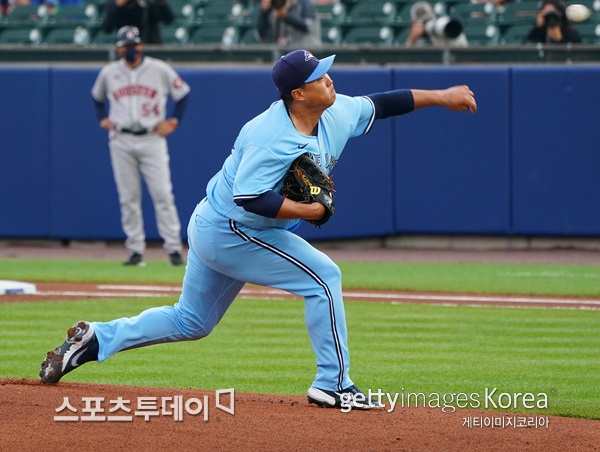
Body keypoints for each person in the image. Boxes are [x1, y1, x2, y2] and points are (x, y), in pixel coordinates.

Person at [40, 49, 476, 409]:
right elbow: (250, 197)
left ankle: (97, 339)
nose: (330, 79)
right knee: (324, 277)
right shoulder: (271, 134)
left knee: (191, 321)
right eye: (319, 76)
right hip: (234, 228)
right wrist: (310, 211)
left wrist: (443, 96)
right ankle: (334, 384)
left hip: (217, 223)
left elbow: (384, 103)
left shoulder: (335, 110)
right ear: (298, 93)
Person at [90, 25, 190, 266]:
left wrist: (173, 121)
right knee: (128, 197)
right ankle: (135, 250)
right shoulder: (109, 72)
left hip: (151, 137)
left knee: (162, 194)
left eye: (133, 45)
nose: (130, 49)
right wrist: (102, 118)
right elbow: (97, 97)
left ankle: (174, 249)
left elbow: (183, 94)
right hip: (121, 139)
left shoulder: (158, 69)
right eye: (125, 46)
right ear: (118, 48)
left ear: (141, 45)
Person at [101, 0, 174, 45]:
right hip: (126, 45)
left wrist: (161, 2)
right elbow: (107, 28)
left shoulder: (149, 3)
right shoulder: (114, 4)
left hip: (150, 45)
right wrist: (118, 6)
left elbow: (168, 19)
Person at [257, 0, 322, 47]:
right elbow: (264, 35)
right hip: (285, 53)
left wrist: (286, 16)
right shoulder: (276, 8)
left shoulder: (304, 4)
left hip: (308, 51)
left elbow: (307, 27)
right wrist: (264, 12)